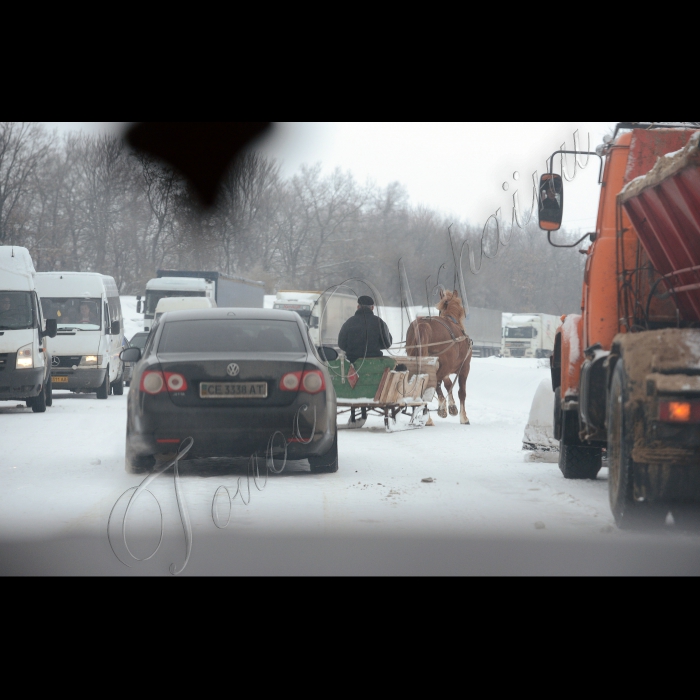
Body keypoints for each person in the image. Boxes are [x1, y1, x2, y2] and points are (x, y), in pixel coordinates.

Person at [338, 295, 392, 365]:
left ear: (358, 307)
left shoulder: (349, 322)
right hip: (375, 363)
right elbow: (387, 343)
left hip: (352, 362)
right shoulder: (379, 322)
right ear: (372, 308)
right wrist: (374, 347)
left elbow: (341, 344)